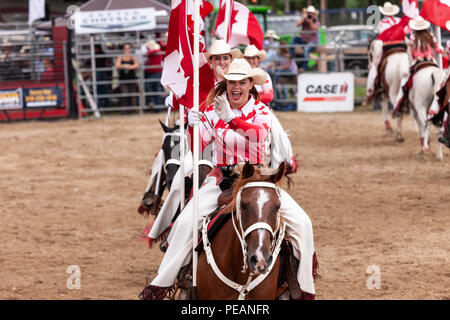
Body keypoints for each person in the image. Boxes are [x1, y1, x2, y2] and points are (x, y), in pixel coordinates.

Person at [139, 58, 316, 300]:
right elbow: (199, 147)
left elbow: (257, 135)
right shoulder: (211, 111)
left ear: (250, 84)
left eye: (242, 82)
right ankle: (169, 281)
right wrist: (193, 127)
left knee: (302, 223)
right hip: (222, 180)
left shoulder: (262, 111)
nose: (236, 86)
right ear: (227, 83)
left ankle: (300, 287)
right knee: (183, 224)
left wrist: (231, 120)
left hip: (257, 180)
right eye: (232, 81)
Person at [244, 44, 297, 172]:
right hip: (243, 111)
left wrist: (248, 99)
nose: (252, 61)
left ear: (258, 59)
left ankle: (286, 161)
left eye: (254, 58)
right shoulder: (241, 74)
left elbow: (269, 96)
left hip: (263, 111)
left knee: (279, 133)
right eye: (249, 58)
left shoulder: (265, 75)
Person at [393, 16, 443, 117]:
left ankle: (400, 104)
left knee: (404, 81)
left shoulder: (413, 37)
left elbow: (411, 54)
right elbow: (439, 50)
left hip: (418, 63)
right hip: (431, 61)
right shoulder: (431, 36)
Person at [364, 2, 402, 102]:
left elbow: (378, 36)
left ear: (384, 13)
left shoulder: (381, 23)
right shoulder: (399, 21)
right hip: (402, 46)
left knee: (375, 67)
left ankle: (370, 90)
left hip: (387, 47)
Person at [290, 5, 320, 72]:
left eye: (311, 13)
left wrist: (310, 21)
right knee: (294, 39)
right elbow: (297, 24)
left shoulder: (316, 22)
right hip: (304, 41)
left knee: (306, 49)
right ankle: (291, 54)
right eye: (308, 12)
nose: (310, 14)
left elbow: (314, 29)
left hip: (312, 42)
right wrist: (303, 18)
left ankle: (304, 68)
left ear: (314, 14)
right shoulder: (304, 20)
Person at [115, 43, 139, 108]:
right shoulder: (120, 56)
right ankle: (124, 109)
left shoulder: (132, 56)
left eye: (128, 48)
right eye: (125, 48)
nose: (127, 50)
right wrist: (124, 65)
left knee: (133, 94)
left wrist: (130, 67)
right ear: (123, 49)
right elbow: (117, 65)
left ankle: (133, 109)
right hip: (123, 79)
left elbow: (137, 64)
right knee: (124, 94)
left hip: (132, 78)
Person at [144, 38, 164, 110]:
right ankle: (157, 107)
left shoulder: (156, 51)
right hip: (153, 73)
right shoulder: (154, 51)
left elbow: (148, 53)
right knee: (156, 88)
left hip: (157, 73)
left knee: (149, 85)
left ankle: (153, 102)